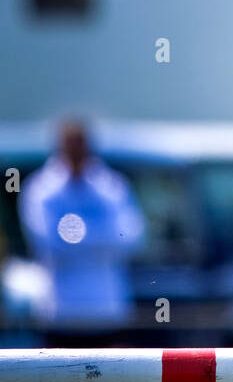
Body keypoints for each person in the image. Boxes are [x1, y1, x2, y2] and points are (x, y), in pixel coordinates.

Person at [18, 120, 145, 342]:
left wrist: (73, 235)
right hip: (61, 313)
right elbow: (45, 242)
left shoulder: (111, 186)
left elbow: (132, 237)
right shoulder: (40, 188)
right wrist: (101, 236)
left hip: (106, 312)